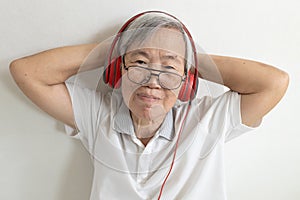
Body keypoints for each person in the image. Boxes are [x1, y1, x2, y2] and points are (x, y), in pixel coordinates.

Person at [9, 11, 288, 200]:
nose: (153, 82)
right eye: (140, 64)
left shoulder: (208, 119)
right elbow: (26, 72)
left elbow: (274, 82)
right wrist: (115, 49)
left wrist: (188, 55)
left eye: (168, 69)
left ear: (187, 81)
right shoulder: (97, 114)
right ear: (119, 72)